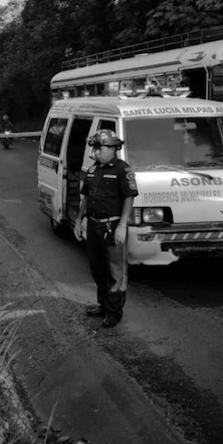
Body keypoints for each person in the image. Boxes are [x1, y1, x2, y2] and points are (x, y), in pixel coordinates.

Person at [73, 129, 138, 328]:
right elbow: (86, 197)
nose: (95, 152)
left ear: (112, 148)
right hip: (93, 225)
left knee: (115, 272)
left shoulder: (122, 169)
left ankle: (114, 312)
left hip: (112, 227)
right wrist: (78, 220)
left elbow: (129, 197)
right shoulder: (93, 170)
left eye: (98, 148)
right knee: (97, 268)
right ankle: (103, 304)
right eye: (94, 148)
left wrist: (122, 226)